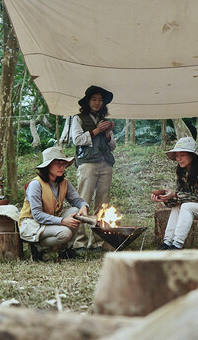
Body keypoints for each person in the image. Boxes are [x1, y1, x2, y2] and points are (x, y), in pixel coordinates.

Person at [19, 146, 89, 261]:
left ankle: (65, 250)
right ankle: (38, 247)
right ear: (48, 165)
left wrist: (84, 207)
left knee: (76, 212)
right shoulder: (35, 184)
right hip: (32, 223)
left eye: (64, 164)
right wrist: (62, 221)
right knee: (65, 233)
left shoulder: (64, 183)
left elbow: (77, 201)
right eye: (58, 164)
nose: (62, 167)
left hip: (50, 221)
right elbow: (37, 215)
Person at [71, 85, 116, 252]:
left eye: (100, 100)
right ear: (88, 101)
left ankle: (97, 241)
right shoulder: (79, 118)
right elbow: (77, 139)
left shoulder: (105, 121)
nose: (97, 103)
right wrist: (97, 130)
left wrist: (107, 133)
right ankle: (79, 242)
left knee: (103, 202)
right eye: (94, 99)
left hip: (106, 163)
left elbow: (112, 146)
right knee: (83, 201)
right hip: (87, 163)